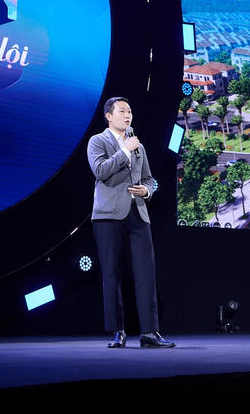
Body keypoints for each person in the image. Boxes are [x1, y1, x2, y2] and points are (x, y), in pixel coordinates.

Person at [87, 96, 175, 349]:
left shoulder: (139, 146)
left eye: (130, 111)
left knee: (146, 273)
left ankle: (150, 332)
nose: (127, 115)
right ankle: (118, 331)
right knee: (111, 273)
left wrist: (147, 191)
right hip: (108, 215)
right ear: (108, 116)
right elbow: (101, 171)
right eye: (122, 111)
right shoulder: (98, 141)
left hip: (138, 213)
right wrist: (125, 150)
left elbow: (148, 179)